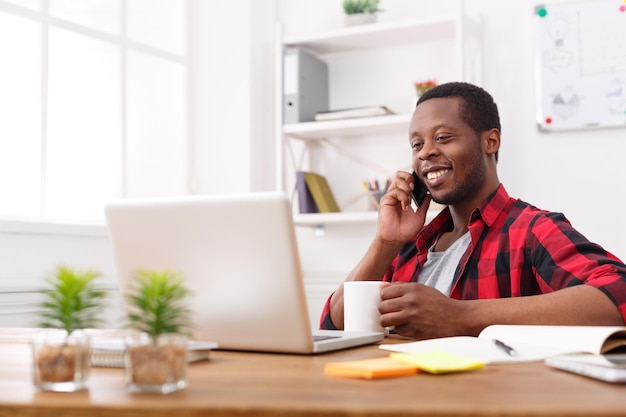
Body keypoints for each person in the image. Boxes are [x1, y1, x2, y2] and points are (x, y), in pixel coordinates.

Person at [320, 82, 626, 340]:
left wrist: (461, 316)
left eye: (442, 138)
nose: (425, 151)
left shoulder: (531, 230)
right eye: (416, 144)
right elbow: (334, 325)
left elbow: (619, 293)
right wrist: (385, 243)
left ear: (490, 141)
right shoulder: (411, 247)